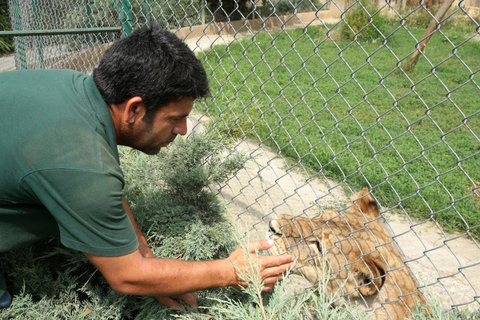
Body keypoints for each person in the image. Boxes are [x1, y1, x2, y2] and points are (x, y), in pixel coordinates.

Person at [0, 23, 294, 311]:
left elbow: (102, 193)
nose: (183, 130)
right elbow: (127, 276)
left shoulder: (72, 89)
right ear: (135, 109)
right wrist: (230, 272)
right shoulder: (80, 162)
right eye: (175, 118)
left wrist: (151, 264)